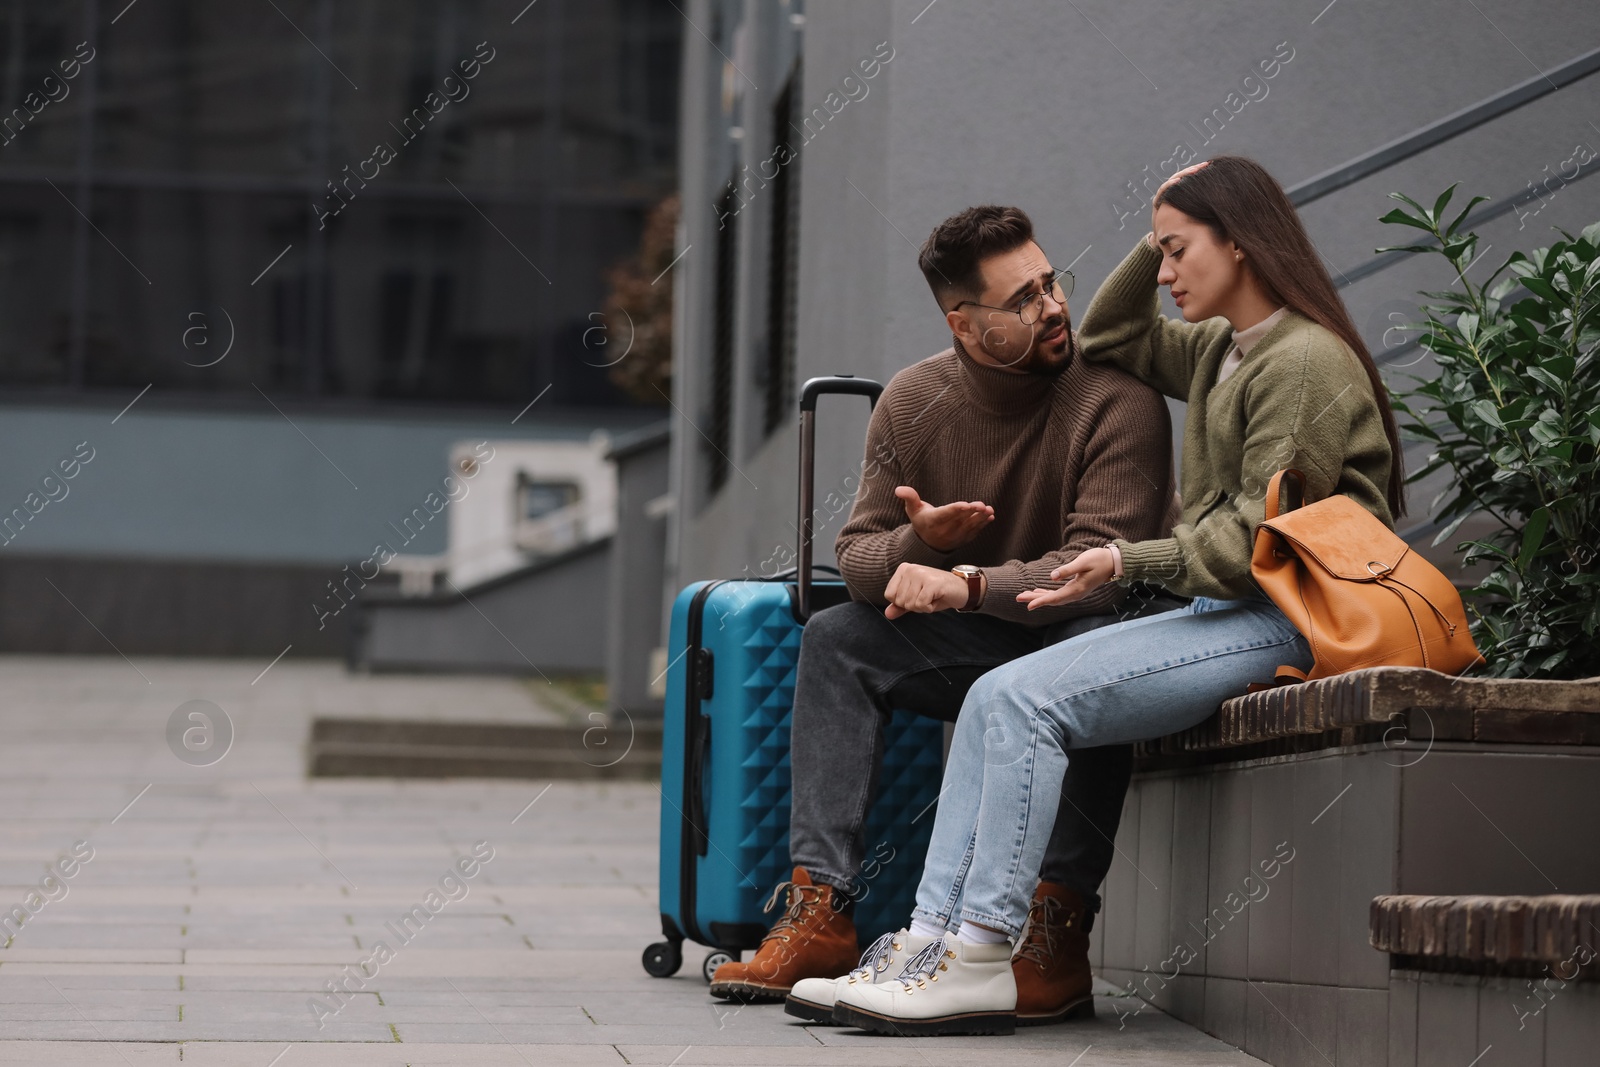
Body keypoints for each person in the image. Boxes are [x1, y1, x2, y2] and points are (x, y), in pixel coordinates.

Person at [826, 156, 1405, 1036]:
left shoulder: (1302, 362)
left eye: (1177, 252)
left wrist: (1128, 562)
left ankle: (981, 949)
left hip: (1289, 616)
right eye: (1159, 253)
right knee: (994, 691)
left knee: (1026, 701)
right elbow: (1113, 329)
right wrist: (1170, 216)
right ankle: (931, 939)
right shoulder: (1222, 348)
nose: (1163, 273)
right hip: (1225, 611)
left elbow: (1254, 542)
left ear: (1242, 246)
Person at [709, 205, 1184, 1026]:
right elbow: (856, 561)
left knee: (1086, 650)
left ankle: (1054, 934)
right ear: (964, 323)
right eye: (1024, 300)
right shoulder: (913, 401)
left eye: (1050, 283)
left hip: (1083, 628)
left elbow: (1098, 576)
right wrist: (916, 541)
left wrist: (965, 579)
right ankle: (821, 912)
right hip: (980, 635)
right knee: (836, 639)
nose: (1054, 307)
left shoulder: (1119, 398)